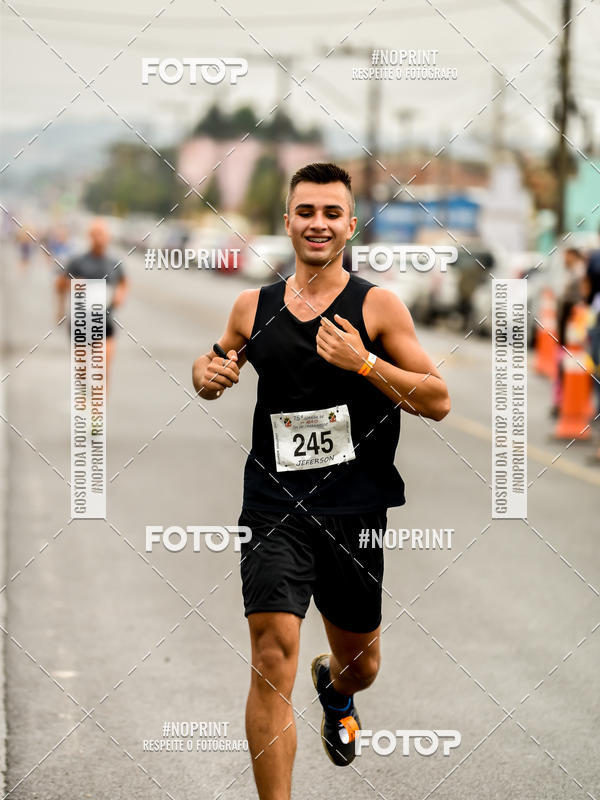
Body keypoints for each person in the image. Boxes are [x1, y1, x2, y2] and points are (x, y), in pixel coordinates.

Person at [192, 163, 450, 799]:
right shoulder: (253, 307)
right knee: (271, 654)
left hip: (354, 510)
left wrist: (364, 363)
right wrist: (206, 376)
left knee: (361, 665)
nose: (318, 223)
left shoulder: (377, 306)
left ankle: (336, 692)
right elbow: (213, 363)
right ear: (287, 221)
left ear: (350, 225)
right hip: (274, 503)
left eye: (332, 213)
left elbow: (438, 399)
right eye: (306, 211)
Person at [55, 218, 128, 389]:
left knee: (102, 371)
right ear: (89, 236)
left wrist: (120, 295)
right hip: (81, 322)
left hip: (105, 322)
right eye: (95, 234)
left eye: (102, 234)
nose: (99, 238)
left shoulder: (114, 263)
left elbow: (124, 282)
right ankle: (84, 401)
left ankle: (99, 405)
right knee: (82, 373)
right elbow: (59, 285)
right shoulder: (77, 262)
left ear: (108, 237)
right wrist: (72, 287)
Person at [551, 247, 587, 416]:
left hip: (573, 334)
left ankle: (565, 403)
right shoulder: (571, 273)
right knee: (562, 366)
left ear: (574, 256)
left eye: (567, 256)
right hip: (566, 333)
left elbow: (576, 303)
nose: (565, 260)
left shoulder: (579, 274)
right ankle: (561, 402)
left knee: (568, 368)